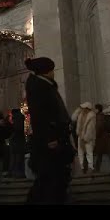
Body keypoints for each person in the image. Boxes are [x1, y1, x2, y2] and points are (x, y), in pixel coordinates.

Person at [24, 57, 74, 204]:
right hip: (50, 141)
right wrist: (50, 138)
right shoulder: (40, 87)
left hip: (55, 138)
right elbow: (41, 115)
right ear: (47, 71)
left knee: (53, 178)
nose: (54, 72)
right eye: (52, 69)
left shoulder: (45, 85)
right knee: (50, 179)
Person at [72, 102, 96, 174]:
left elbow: (91, 128)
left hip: (87, 137)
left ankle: (90, 167)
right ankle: (82, 167)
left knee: (89, 152)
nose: (82, 109)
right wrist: (77, 110)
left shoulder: (92, 116)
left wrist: (85, 137)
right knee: (80, 152)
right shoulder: (81, 114)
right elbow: (73, 118)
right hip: (80, 136)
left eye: (83, 108)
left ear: (87, 108)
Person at [94, 104, 110, 173]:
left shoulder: (99, 117)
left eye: (95, 109)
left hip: (101, 139)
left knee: (100, 154)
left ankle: (97, 169)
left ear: (97, 109)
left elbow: (99, 126)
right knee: (108, 154)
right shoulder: (103, 116)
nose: (93, 110)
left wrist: (95, 135)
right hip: (106, 138)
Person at [8, 109, 26, 178]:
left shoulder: (16, 117)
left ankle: (14, 172)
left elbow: (16, 128)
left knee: (15, 156)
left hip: (16, 140)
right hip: (19, 140)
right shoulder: (20, 117)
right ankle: (18, 172)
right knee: (18, 156)